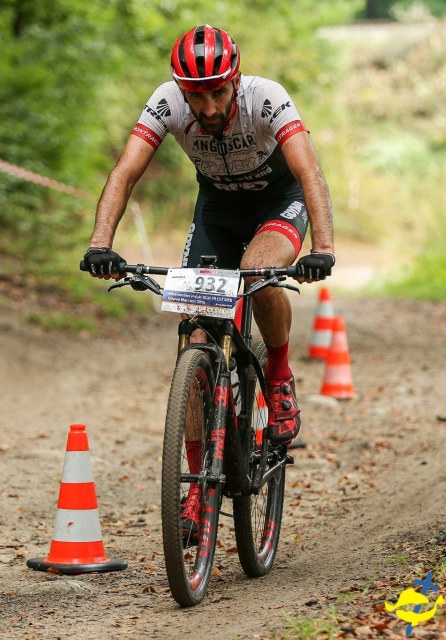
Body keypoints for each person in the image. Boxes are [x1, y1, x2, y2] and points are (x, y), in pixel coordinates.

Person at [84, 25, 335, 537]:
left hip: (276, 203)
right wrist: (99, 243)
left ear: (235, 80)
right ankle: (197, 485)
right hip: (217, 211)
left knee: (256, 274)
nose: (210, 106)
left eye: (219, 91)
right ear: (181, 90)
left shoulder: (267, 99)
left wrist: (323, 248)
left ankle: (280, 378)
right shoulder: (166, 102)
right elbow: (124, 172)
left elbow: (309, 173)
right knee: (195, 332)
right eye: (197, 95)